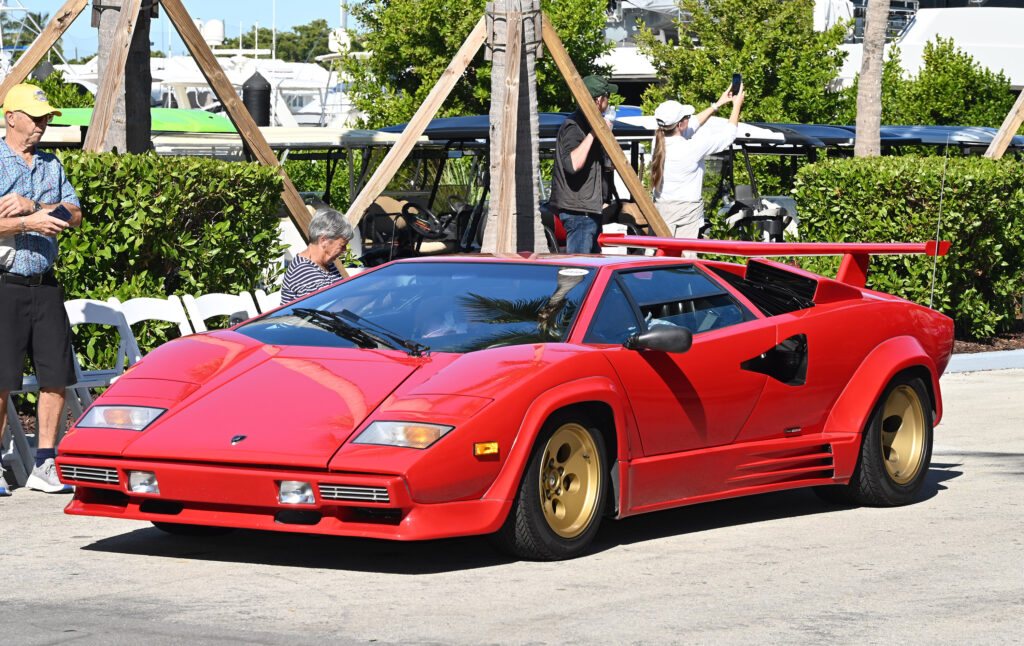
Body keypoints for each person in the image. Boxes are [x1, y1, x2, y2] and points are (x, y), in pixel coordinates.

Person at [0, 84, 83, 495]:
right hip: (4, 284)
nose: (42, 125)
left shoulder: (52, 164)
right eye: (36, 117)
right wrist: (23, 225)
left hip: (45, 284)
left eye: (46, 117)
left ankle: (45, 464)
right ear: (11, 116)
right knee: (0, 378)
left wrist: (33, 207)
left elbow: (74, 213)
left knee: (56, 375)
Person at [650, 83, 745, 244]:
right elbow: (728, 136)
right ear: (680, 124)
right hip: (686, 210)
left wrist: (717, 105)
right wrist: (736, 106)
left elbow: (691, 125)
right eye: (686, 117)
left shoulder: (657, 142)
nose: (689, 119)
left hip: (660, 208)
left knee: (657, 254)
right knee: (684, 259)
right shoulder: (692, 147)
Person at [550, 75, 617, 254]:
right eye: (607, 97)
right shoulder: (574, 125)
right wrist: (594, 134)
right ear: (598, 100)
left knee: (590, 269)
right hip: (579, 213)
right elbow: (573, 164)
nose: (609, 102)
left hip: (589, 211)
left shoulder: (586, 124)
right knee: (578, 270)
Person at [280, 205, 355, 304]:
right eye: (342, 245)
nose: (345, 251)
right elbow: (330, 310)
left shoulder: (327, 264)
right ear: (324, 240)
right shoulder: (304, 272)